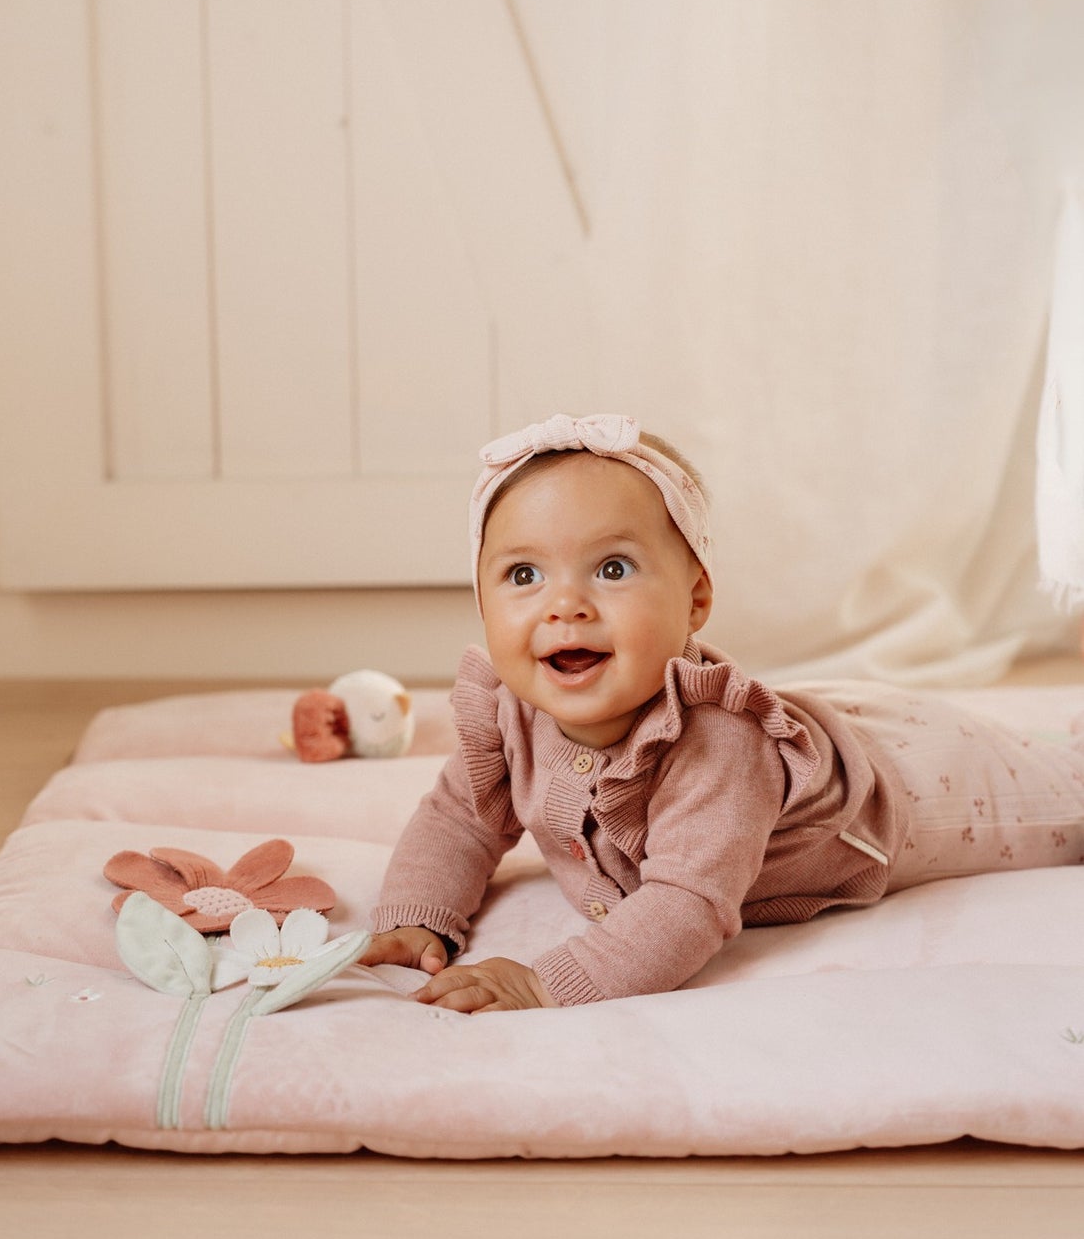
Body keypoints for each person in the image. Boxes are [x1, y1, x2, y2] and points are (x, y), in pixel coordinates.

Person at [357, 412, 1084, 1010]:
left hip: (905, 792)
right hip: (836, 721)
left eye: (613, 569)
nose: (565, 603)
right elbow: (461, 817)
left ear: (696, 601)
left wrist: (547, 981)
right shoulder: (509, 712)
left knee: (1062, 793)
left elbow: (686, 904)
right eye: (523, 574)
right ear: (480, 603)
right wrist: (418, 911)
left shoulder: (717, 748)